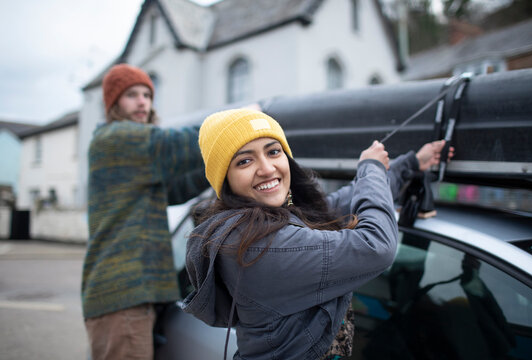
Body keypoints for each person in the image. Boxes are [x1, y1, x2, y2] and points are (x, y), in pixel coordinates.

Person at [182, 108, 402, 360]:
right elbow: (377, 246)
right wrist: (372, 169)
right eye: (244, 161)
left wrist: (407, 166)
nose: (266, 168)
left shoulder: (264, 220)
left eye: (273, 151)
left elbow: (329, 208)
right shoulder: (256, 245)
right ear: (225, 180)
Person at [81, 63, 208, 359]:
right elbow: (178, 144)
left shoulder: (139, 160)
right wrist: (242, 121)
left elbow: (176, 188)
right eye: (131, 95)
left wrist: (224, 167)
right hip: (123, 296)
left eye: (147, 95)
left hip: (128, 299)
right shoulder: (116, 138)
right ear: (113, 103)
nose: (142, 102)